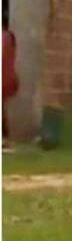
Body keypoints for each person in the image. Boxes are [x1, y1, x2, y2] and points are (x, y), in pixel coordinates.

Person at [3, 13, 18, 149]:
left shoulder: (5, 38)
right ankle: (5, 139)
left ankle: (5, 139)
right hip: (8, 80)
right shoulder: (9, 37)